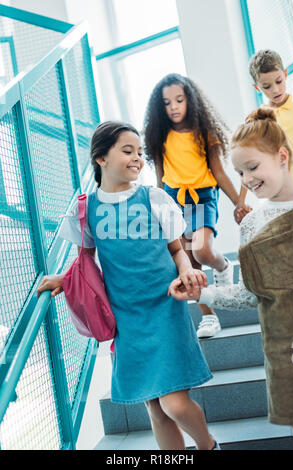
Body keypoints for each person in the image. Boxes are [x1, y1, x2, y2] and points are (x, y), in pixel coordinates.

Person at [36, 121, 220, 451]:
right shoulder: (86, 209)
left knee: (174, 404)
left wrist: (185, 271)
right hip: (126, 317)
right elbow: (86, 262)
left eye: (139, 152)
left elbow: (176, 248)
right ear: (101, 158)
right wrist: (65, 279)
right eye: (127, 150)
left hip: (164, 306)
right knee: (156, 408)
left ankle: (208, 446)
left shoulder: (154, 197)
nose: (137, 158)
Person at [168, 108, 293, 438]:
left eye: (252, 167)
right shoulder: (252, 223)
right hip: (286, 355)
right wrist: (201, 294)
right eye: (239, 172)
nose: (246, 180)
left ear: (282, 156)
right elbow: (249, 293)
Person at [143, 73, 251, 339]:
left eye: (179, 100)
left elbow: (219, 173)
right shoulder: (159, 136)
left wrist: (239, 202)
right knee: (188, 262)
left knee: (202, 251)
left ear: (190, 100)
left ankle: (224, 266)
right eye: (167, 103)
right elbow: (159, 180)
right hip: (172, 201)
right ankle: (209, 317)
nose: (174, 107)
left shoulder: (205, 132)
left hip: (202, 197)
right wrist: (157, 213)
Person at [237, 49, 293, 219]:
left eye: (279, 81)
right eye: (267, 86)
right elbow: (247, 163)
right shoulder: (258, 122)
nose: (275, 89)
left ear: (285, 74)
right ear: (257, 87)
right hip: (283, 199)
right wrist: (241, 201)